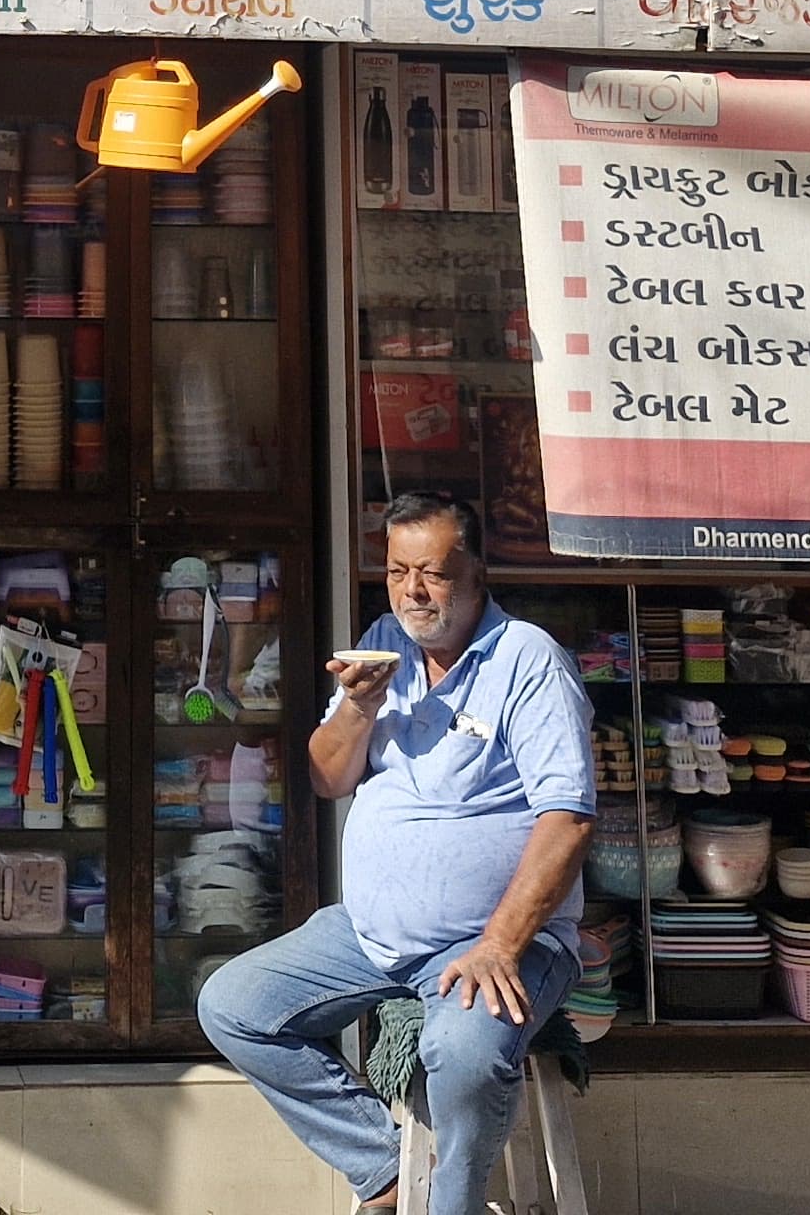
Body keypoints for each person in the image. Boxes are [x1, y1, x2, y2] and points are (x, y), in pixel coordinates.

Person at [197, 492, 593, 1215]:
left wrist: (500, 946)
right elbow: (325, 777)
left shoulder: (529, 660)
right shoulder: (384, 643)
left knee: (467, 1056)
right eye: (397, 571)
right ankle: (382, 1172)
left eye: (434, 573)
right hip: (372, 935)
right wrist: (356, 706)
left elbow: (566, 820)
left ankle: (453, 1201)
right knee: (234, 1004)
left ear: (477, 572)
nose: (413, 592)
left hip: (498, 940)